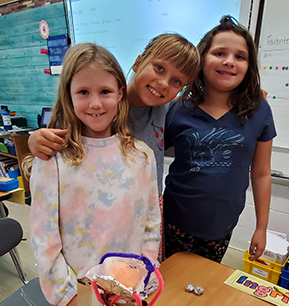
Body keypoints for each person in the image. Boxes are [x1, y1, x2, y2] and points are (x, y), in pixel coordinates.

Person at [29, 43, 161, 306]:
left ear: (120, 93)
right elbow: (44, 237)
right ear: (69, 95)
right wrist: (69, 298)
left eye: (105, 91)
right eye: (83, 92)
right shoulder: (53, 159)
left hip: (131, 288)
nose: (96, 103)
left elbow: (151, 223)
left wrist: (145, 273)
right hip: (80, 294)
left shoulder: (142, 156)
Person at [27, 34, 200, 196]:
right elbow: (52, 151)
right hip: (105, 209)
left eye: (176, 81)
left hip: (148, 208)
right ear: (138, 63)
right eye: (159, 68)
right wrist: (35, 141)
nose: (163, 83)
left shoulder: (166, 106)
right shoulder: (99, 109)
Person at [163, 15, 276, 263]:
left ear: (249, 66)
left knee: (203, 291)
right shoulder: (178, 109)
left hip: (221, 229)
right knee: (168, 290)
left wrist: (261, 228)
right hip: (173, 223)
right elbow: (146, 151)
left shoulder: (259, 110)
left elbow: (261, 173)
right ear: (202, 59)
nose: (229, 62)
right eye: (219, 53)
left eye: (240, 56)